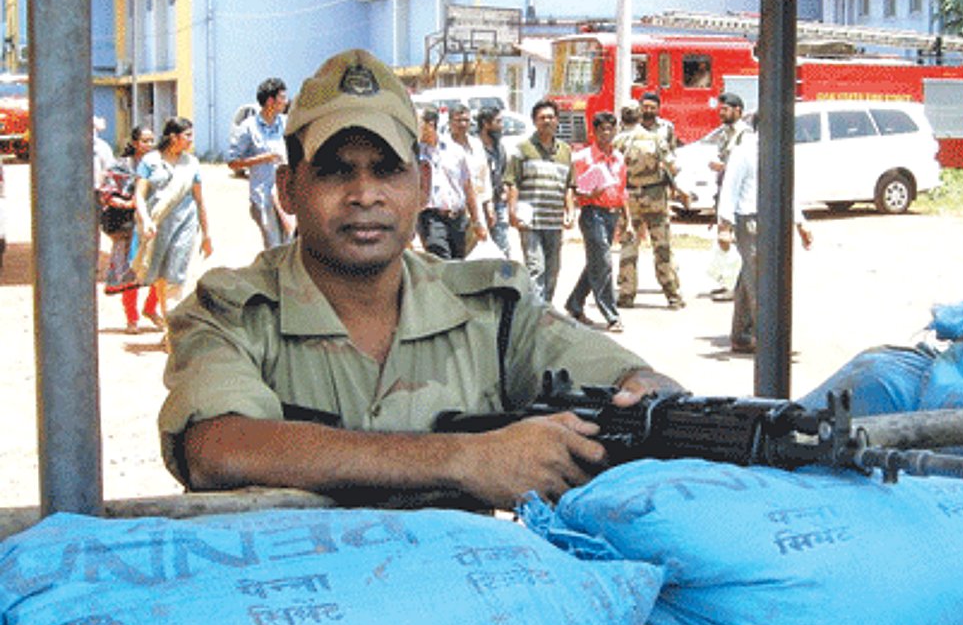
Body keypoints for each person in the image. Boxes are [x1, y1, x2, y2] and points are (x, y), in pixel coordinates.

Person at [158, 48, 681, 511]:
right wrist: (466, 459)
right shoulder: (231, 309)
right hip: (293, 603)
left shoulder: (493, 308)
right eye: (337, 170)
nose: (365, 194)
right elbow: (218, 447)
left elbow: (625, 378)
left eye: (387, 170)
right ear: (288, 189)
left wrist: (650, 393)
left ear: (423, 184)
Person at [716, 123, 813, 355]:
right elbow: (730, 187)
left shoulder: (780, 151)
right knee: (762, 282)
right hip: (749, 221)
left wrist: (800, 223)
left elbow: (787, 188)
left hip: (774, 221)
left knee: (749, 278)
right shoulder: (745, 151)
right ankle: (770, 341)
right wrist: (724, 226)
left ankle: (741, 335)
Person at [133, 116, 212, 331]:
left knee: (175, 279)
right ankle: (170, 328)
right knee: (159, 277)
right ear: (173, 137)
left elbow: (199, 199)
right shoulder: (150, 162)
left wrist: (207, 234)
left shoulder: (191, 164)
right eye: (187, 136)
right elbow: (139, 196)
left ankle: (173, 335)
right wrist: (146, 220)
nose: (190, 140)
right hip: (156, 228)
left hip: (184, 226)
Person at [614, 92, 685, 310]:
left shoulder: (618, 141)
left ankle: (626, 295)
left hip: (629, 198)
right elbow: (674, 166)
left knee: (629, 246)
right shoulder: (656, 138)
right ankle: (672, 294)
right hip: (655, 196)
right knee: (661, 246)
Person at [505, 99, 575, 305]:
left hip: (554, 221)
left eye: (551, 117)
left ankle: (546, 308)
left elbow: (569, 185)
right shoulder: (522, 149)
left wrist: (570, 212)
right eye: (542, 118)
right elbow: (512, 182)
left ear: (557, 121)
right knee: (536, 268)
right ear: (534, 121)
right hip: (530, 221)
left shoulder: (565, 151)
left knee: (553, 270)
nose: (547, 121)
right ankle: (535, 316)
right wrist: (512, 211)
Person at [564, 111, 628, 333]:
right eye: (602, 130)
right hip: (593, 213)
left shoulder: (619, 157)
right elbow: (577, 190)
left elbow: (622, 189)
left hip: (612, 213)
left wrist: (625, 216)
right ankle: (611, 314)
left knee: (596, 263)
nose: (607, 134)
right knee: (604, 262)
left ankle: (574, 303)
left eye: (611, 129)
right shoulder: (583, 157)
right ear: (595, 131)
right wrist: (591, 193)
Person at [98, 124, 160, 332]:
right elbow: (106, 192)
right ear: (134, 143)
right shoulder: (121, 166)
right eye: (145, 141)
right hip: (127, 226)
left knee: (160, 270)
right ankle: (132, 319)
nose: (149, 145)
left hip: (153, 226)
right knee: (128, 273)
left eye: (152, 140)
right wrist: (128, 204)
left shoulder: (159, 166)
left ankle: (151, 308)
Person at [227, 76, 293, 249]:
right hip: (263, 197)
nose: (286, 102)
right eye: (283, 98)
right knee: (273, 246)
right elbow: (233, 162)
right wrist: (264, 158)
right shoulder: (249, 128)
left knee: (291, 241)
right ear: (271, 101)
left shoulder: (287, 124)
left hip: (286, 194)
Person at [417, 106, 483, 259]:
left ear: (431, 124)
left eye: (418, 123)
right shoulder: (414, 153)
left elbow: (467, 186)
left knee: (457, 265)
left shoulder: (455, 150)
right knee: (440, 260)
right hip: (431, 218)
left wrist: (477, 221)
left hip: (457, 219)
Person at [708, 93, 750, 302]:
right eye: (720, 109)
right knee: (724, 240)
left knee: (733, 241)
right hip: (724, 190)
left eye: (726, 109)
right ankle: (727, 281)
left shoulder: (744, 135)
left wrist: (723, 167)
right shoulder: (725, 134)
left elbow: (742, 168)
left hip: (738, 197)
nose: (721, 113)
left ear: (738, 111)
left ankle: (736, 287)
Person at [447, 103, 491, 255]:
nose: (463, 124)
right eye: (458, 120)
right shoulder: (444, 147)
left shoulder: (476, 145)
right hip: (456, 208)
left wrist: (488, 205)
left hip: (477, 205)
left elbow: (485, 176)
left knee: (479, 247)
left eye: (466, 120)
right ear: (450, 122)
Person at [475, 104, 510, 257]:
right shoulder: (474, 147)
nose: (501, 126)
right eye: (498, 122)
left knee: (502, 249)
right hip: (478, 206)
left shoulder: (499, 148)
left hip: (498, 204)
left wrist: (505, 191)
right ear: (486, 124)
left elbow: (504, 173)